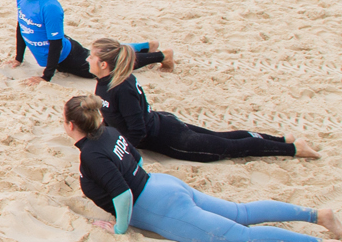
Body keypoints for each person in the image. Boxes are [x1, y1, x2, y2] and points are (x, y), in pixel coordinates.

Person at [63, 94, 342, 242]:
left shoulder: (90, 154)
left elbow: (123, 195)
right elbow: (134, 158)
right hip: (163, 185)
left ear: (71, 125)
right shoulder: (109, 132)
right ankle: (318, 216)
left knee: (238, 237)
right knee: (241, 212)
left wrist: (119, 228)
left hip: (158, 205)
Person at [90, 39, 315, 162]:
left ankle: (293, 149)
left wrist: (119, 152)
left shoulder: (120, 88)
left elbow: (137, 131)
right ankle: (283, 139)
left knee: (230, 147)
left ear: (104, 65)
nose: (88, 59)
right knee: (221, 136)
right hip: (163, 122)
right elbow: (110, 115)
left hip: (170, 137)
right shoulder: (105, 82)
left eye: (92, 56)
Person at [1, 0, 170, 85]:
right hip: (59, 53)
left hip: (68, 57)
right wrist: (18, 58)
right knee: (104, 55)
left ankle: (161, 56)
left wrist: (46, 76)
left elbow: (55, 43)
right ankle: (147, 46)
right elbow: (22, 26)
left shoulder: (50, 6)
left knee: (110, 65)